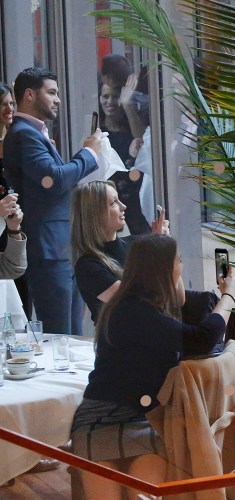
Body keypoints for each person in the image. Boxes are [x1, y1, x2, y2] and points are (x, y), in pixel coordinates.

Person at [70, 233, 235, 500]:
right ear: (163, 270)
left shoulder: (144, 304)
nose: (182, 267)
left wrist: (169, 253)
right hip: (101, 420)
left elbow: (183, 302)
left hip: (145, 419)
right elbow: (204, 338)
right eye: (179, 263)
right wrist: (228, 295)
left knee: (143, 494)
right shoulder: (135, 311)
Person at [3, 67, 102, 335]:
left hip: (60, 246)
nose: (58, 99)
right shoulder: (24, 133)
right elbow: (54, 180)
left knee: (70, 333)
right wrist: (88, 155)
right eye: (52, 92)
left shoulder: (35, 132)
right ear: (29, 95)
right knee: (59, 334)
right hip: (47, 249)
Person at [71, 180, 168, 325]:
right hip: (121, 344)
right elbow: (137, 304)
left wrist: (166, 248)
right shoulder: (88, 266)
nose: (123, 206)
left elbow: (176, 297)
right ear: (95, 213)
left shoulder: (138, 245)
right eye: (113, 203)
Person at [98, 81, 150, 234]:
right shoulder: (98, 130)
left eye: (115, 97)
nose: (110, 101)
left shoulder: (130, 125)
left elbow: (142, 141)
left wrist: (128, 105)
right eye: (105, 96)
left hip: (135, 197)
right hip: (110, 199)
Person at [0, 82, 32, 315]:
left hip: (17, 226)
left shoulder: (18, 140)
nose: (8, 109)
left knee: (22, 295)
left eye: (11, 103)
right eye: (2, 104)